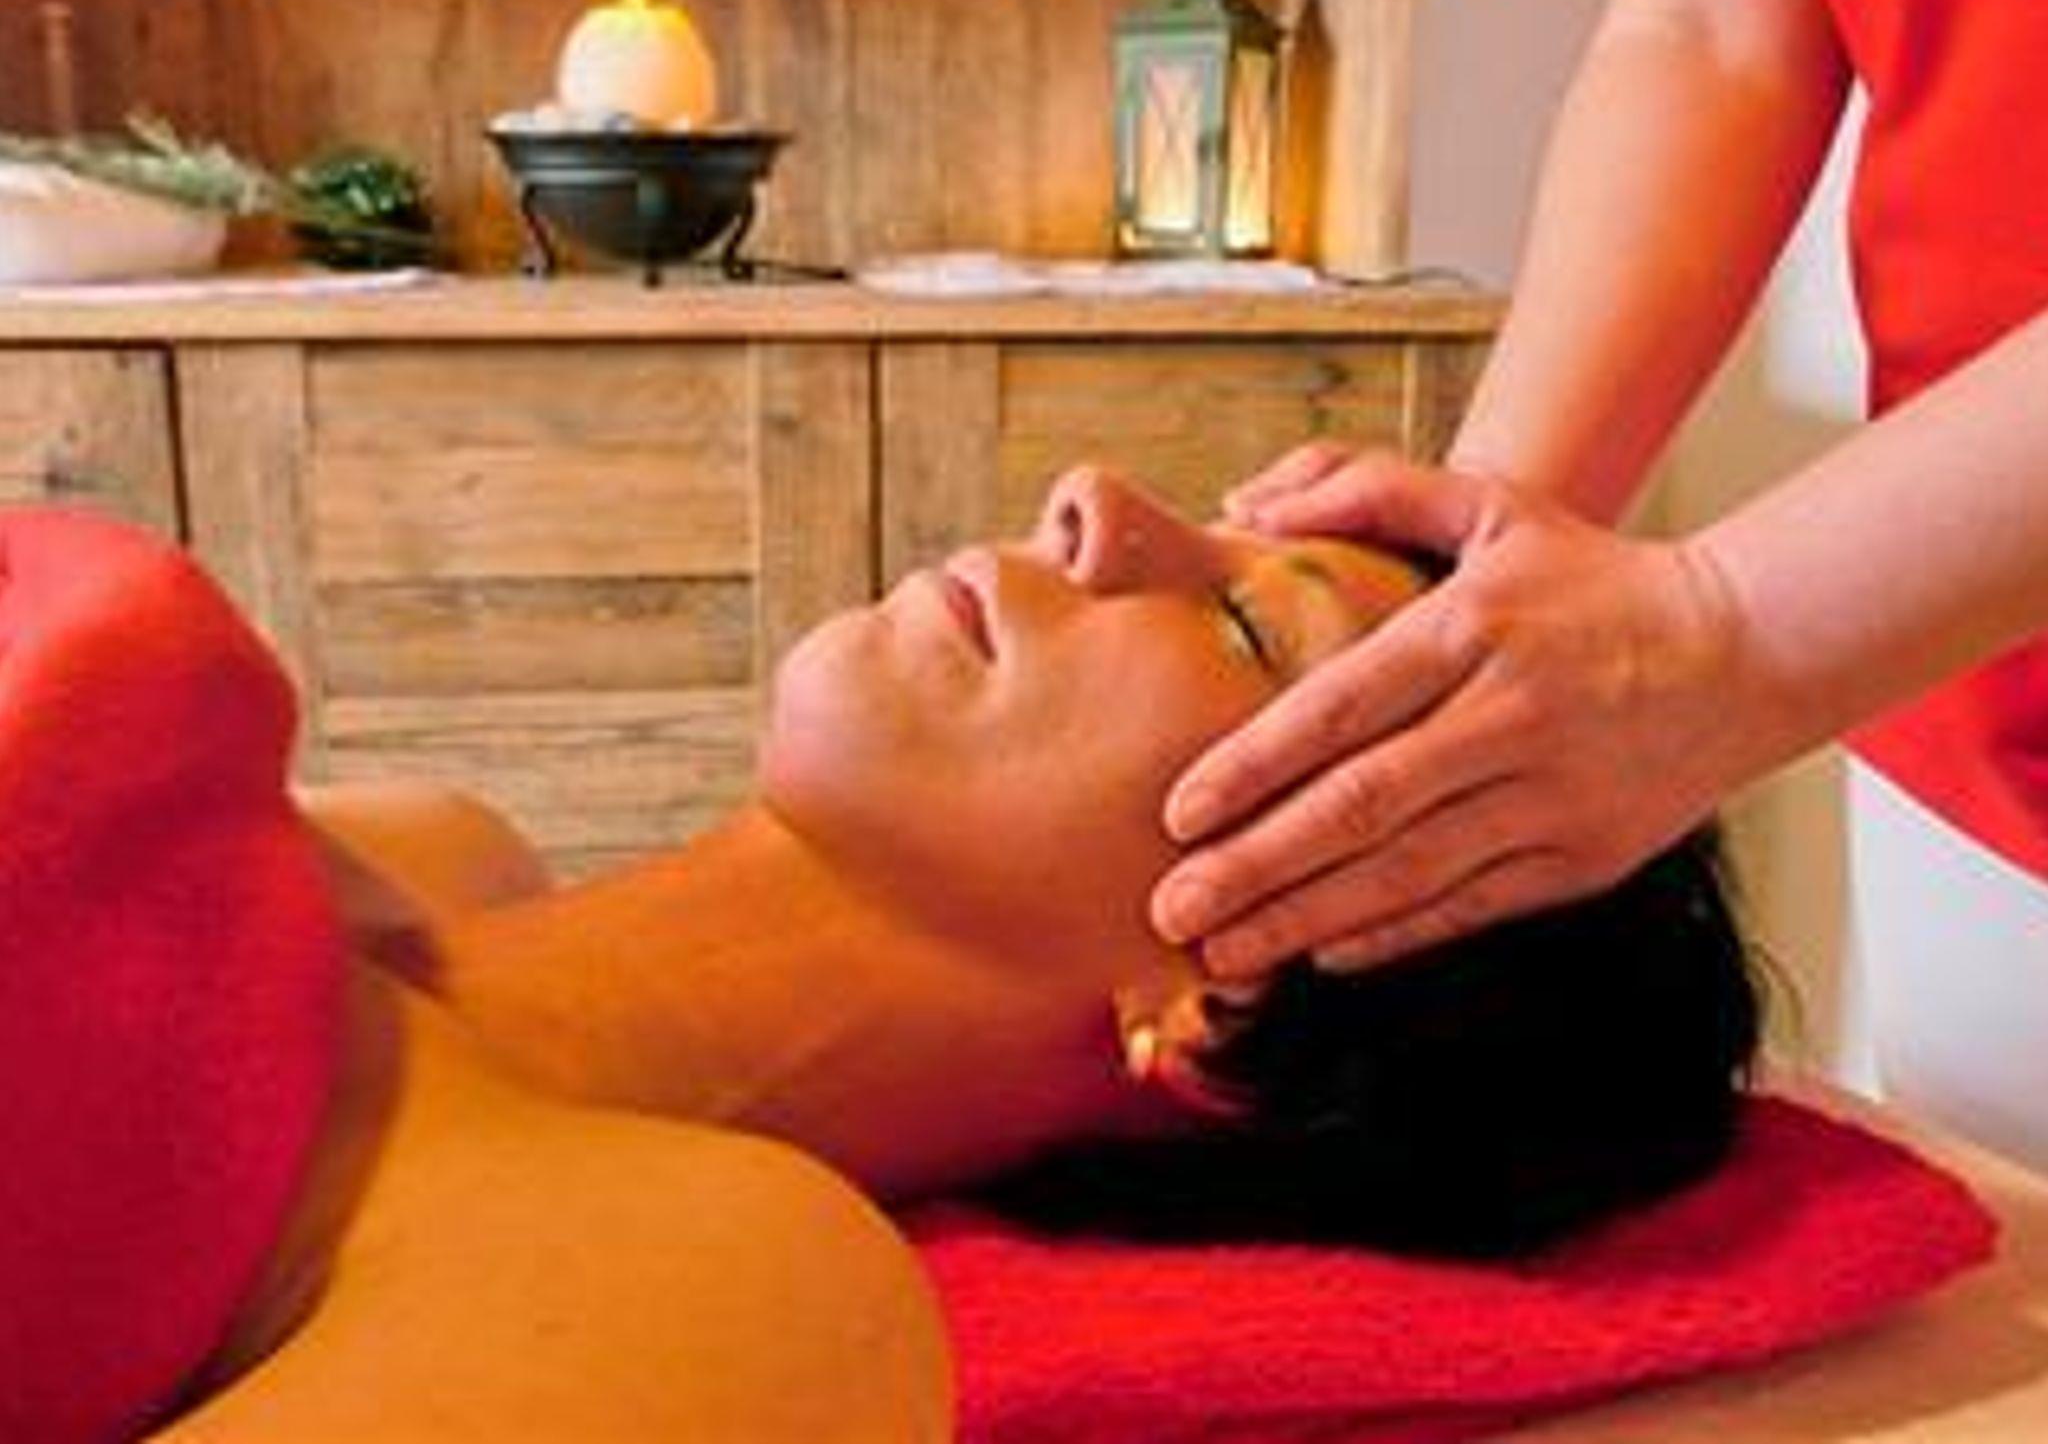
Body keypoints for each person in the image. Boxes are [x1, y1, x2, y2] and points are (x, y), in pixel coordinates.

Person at [9, 469, 1758, 1441]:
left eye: (1244, 619)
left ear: (1218, 1009)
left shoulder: (745, 1298)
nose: (1096, 504)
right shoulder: (425, 843)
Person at [1148, 0, 2048, 1100]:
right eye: (1245, 621)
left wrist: (1723, 626)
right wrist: (1458, 572)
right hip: (1957, 719)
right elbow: (1709, 28)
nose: (1087, 506)